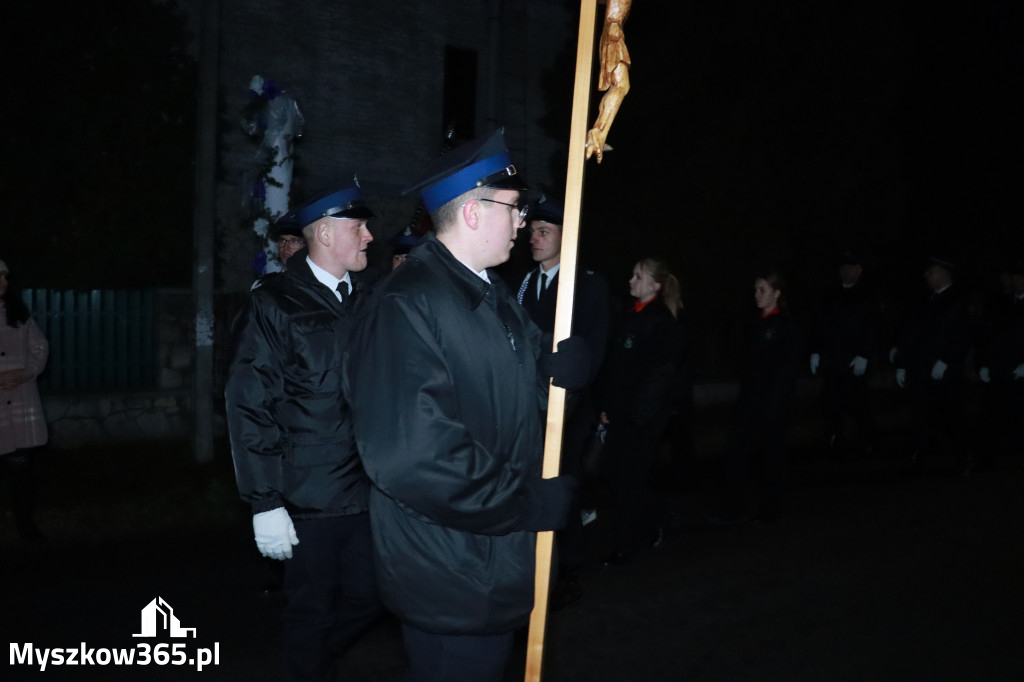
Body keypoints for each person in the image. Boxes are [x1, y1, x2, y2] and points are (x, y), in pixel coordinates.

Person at [345, 129, 585, 682]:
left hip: (490, 558)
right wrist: (526, 504)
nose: (522, 221)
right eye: (514, 208)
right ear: (474, 213)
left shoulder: (490, 292)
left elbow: (516, 401)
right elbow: (416, 457)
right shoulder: (407, 308)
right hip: (450, 568)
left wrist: (558, 376)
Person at [224, 183, 382, 682]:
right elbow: (248, 403)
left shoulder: (368, 298)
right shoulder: (273, 303)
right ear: (326, 234)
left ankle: (312, 658)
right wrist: (265, 501)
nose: (370, 237)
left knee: (373, 594)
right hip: (307, 497)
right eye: (358, 227)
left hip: (370, 486)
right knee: (310, 610)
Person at [516, 196, 609, 607]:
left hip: (566, 409)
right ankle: (528, 568)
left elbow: (590, 349)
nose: (533, 239)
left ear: (563, 237)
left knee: (562, 489)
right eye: (532, 232)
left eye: (543, 232)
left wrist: (563, 398)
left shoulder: (586, 284)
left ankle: (568, 569)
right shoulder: (523, 281)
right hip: (527, 407)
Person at [597, 257, 682, 565]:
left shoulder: (662, 323)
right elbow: (615, 367)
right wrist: (607, 406)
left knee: (628, 478)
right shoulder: (628, 315)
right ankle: (658, 515)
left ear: (655, 285)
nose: (631, 280)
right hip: (621, 413)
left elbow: (659, 376)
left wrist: (637, 416)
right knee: (613, 473)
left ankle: (626, 545)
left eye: (638, 276)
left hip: (642, 418)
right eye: (632, 274)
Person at [717, 270, 800, 524]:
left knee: (771, 459)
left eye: (762, 290)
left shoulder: (785, 326)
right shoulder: (754, 323)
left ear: (777, 293)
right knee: (737, 454)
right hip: (749, 400)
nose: (757, 295)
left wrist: (773, 406)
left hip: (771, 404)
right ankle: (733, 508)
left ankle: (771, 510)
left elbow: (786, 371)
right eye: (755, 290)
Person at [892, 254, 976, 475]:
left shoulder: (960, 300)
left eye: (931, 272)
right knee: (920, 414)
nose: (926, 276)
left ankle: (964, 457)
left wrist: (946, 360)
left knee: (953, 414)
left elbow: (964, 335)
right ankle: (917, 456)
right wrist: (902, 363)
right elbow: (910, 333)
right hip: (921, 367)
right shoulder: (924, 300)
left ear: (943, 273)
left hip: (945, 370)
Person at [807, 251, 883, 455]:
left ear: (859, 270)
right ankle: (833, 438)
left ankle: (871, 439)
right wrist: (815, 351)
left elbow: (873, 327)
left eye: (850, 267)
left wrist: (864, 354)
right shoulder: (830, 294)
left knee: (858, 402)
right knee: (830, 400)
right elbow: (819, 324)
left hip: (855, 359)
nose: (845, 271)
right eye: (843, 268)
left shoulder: (868, 295)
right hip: (832, 358)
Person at [0, 259, 49, 545]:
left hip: (19, 401)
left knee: (20, 471)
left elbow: (40, 346)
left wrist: (27, 371)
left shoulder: (19, 313)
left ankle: (26, 527)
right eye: (0, 277)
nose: (6, 283)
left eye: (7, 278)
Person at [975, 255, 1024, 465]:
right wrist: (985, 363)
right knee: (994, 410)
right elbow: (992, 335)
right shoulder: (1003, 304)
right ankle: (991, 454)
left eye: (1015, 278)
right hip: (1001, 365)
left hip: (1020, 366)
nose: (1011, 282)